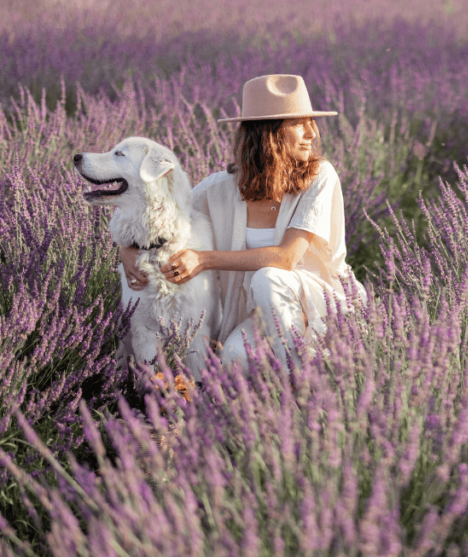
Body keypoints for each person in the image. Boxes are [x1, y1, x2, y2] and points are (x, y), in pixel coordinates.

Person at [120, 74, 366, 373]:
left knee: (269, 277)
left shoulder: (320, 177)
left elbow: (285, 258)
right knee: (235, 359)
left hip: (323, 307)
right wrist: (127, 249)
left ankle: (297, 385)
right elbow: (161, 215)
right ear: (269, 134)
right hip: (265, 315)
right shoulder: (218, 189)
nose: (312, 133)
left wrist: (204, 259)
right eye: (299, 123)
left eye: (311, 122)